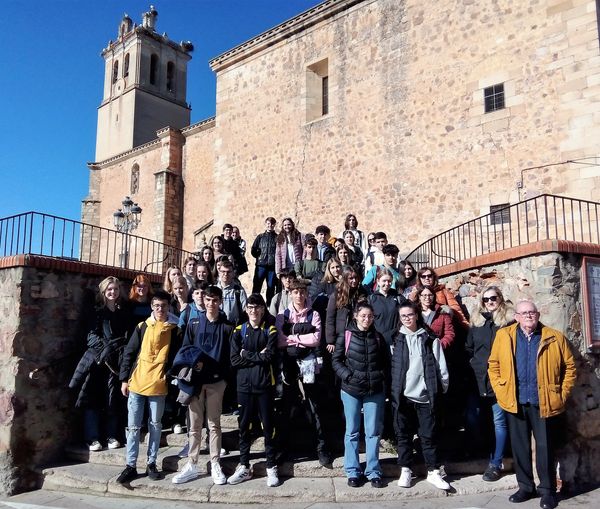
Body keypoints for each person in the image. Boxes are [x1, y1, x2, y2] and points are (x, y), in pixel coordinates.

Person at [488, 300, 576, 509]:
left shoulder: (554, 337)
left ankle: (547, 491)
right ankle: (525, 487)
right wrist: (501, 391)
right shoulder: (504, 336)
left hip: (543, 401)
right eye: (524, 313)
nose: (528, 316)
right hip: (515, 402)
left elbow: (570, 368)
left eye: (532, 312)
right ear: (516, 317)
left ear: (538, 315)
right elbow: (494, 365)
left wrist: (561, 395)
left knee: (546, 448)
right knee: (520, 448)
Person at [116, 290, 181, 484]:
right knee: (134, 427)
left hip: (158, 383)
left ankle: (152, 463)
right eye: (157, 306)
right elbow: (130, 352)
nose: (160, 309)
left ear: (169, 307)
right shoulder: (142, 326)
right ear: (152, 307)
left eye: (164, 306)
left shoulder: (175, 329)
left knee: (155, 425)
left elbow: (177, 357)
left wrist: (168, 375)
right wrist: (124, 379)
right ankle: (131, 465)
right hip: (137, 381)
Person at [171, 286, 234, 485]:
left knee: (214, 424)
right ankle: (192, 463)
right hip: (196, 382)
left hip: (216, 382)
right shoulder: (194, 323)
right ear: (203, 301)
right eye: (208, 300)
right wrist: (193, 365)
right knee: (194, 425)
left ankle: (215, 462)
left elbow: (230, 357)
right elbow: (185, 350)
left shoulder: (227, 327)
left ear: (220, 301)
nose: (211, 303)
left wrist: (223, 378)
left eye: (215, 300)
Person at [391, 301, 450, 491]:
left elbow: (441, 366)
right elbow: (391, 368)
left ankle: (433, 471)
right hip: (403, 396)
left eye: (410, 314)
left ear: (417, 315)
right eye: (403, 316)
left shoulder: (430, 338)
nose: (407, 318)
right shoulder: (395, 339)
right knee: (403, 436)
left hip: (425, 396)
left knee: (429, 436)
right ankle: (406, 469)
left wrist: (442, 388)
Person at [332, 302, 389, 488]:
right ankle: (353, 471)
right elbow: (336, 360)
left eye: (370, 316)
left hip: (375, 390)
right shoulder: (345, 336)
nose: (367, 319)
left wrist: (381, 379)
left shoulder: (378, 337)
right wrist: (348, 376)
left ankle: (373, 471)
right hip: (351, 390)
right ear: (356, 316)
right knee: (352, 431)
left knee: (372, 432)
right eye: (363, 315)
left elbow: (385, 363)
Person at [69, 276, 130, 452]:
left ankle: (111, 435)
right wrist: (106, 350)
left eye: (116, 289)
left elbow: (126, 336)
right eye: (110, 289)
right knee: (92, 399)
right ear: (104, 291)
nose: (113, 292)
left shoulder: (122, 312)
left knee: (113, 399)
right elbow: (91, 336)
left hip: (116, 363)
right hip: (98, 361)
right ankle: (92, 437)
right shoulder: (96, 312)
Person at [275, 279, 332, 466]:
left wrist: (293, 336)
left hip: (309, 364)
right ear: (290, 293)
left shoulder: (314, 314)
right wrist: (300, 337)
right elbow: (280, 340)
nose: (299, 295)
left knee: (315, 406)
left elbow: (316, 338)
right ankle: (283, 447)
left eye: (302, 292)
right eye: (295, 292)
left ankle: (322, 447)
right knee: (287, 406)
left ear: (306, 293)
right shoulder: (283, 314)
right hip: (290, 364)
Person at [227, 294, 280, 487]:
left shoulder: (271, 330)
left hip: (265, 385)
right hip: (244, 387)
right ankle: (243, 465)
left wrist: (246, 354)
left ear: (263, 309)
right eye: (250, 307)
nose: (254, 311)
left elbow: (270, 357)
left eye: (257, 307)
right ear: (246, 309)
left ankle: (271, 466)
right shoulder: (239, 330)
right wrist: (257, 355)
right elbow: (234, 360)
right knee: (244, 427)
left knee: (268, 427)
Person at [465, 286, 513, 482]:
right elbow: (469, 347)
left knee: (499, 421)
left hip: (499, 379)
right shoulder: (476, 323)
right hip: (477, 378)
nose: (490, 302)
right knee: (473, 417)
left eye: (493, 298)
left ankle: (496, 463)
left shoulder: (508, 323)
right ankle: (485, 451)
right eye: (486, 299)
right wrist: (472, 364)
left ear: (500, 299)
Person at [325, 266, 368, 353]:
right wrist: (331, 341)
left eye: (356, 277)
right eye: (351, 278)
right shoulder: (337, 295)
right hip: (341, 334)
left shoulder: (362, 293)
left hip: (357, 333)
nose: (354, 281)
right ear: (345, 279)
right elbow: (330, 318)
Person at [368, 268, 404, 348]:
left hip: (395, 341)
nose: (387, 283)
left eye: (389, 281)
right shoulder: (371, 299)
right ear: (378, 281)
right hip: (378, 341)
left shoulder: (398, 297)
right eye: (384, 281)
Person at [251, 217, 278, 305]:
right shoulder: (260, 237)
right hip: (261, 265)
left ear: (274, 225)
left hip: (272, 267)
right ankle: (254, 303)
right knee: (257, 286)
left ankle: (269, 306)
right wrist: (258, 255)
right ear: (266, 224)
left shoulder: (277, 237)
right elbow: (253, 249)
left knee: (271, 287)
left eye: (272, 224)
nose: (270, 225)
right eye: (268, 223)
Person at [217, 260, 248, 326]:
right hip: (217, 325)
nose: (226, 274)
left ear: (233, 273)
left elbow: (245, 310)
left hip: (234, 326)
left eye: (228, 272)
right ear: (219, 272)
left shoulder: (239, 290)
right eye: (223, 271)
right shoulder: (214, 289)